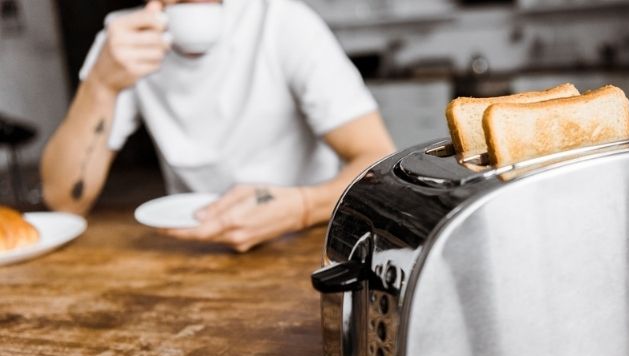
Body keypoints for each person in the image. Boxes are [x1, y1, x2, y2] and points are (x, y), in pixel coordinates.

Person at [40, 0, 395, 252]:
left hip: (303, 242)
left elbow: (378, 158)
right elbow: (63, 199)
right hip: (193, 248)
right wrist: (101, 84)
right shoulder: (122, 41)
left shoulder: (284, 21)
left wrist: (302, 207)